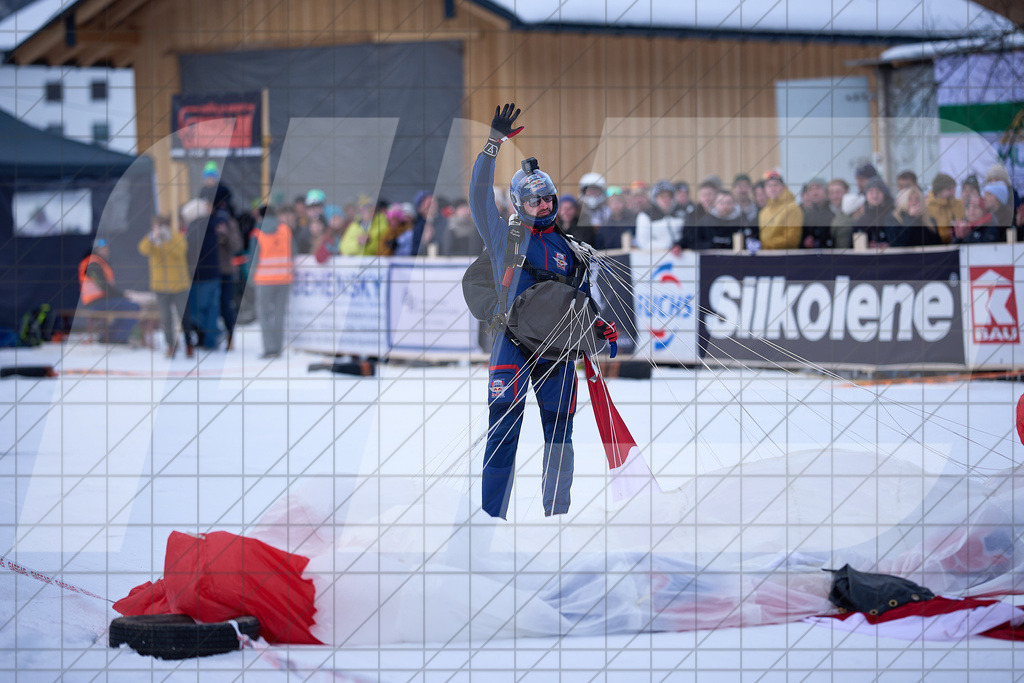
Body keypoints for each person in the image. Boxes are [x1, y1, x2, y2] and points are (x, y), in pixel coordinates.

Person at [469, 102, 616, 519]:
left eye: (547, 199)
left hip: (556, 352)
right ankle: (489, 520)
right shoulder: (504, 237)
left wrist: (599, 327)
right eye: (533, 201)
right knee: (503, 432)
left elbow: (580, 301)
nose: (543, 206)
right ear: (518, 203)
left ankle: (557, 521)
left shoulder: (571, 250)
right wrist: (493, 144)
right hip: (512, 346)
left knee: (560, 434)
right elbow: (478, 195)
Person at [138, 215, 193, 358]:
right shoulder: (153, 240)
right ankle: (170, 345)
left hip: (179, 285)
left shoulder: (176, 237)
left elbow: (181, 252)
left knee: (184, 316)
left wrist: (168, 240)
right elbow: (143, 250)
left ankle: (189, 344)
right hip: (160, 286)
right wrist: (152, 238)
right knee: (166, 318)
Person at [202, 185, 243, 351]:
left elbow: (237, 246)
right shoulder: (202, 223)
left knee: (226, 306)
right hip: (207, 272)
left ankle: (230, 337)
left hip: (224, 272)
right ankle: (208, 337)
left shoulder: (228, 222)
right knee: (208, 307)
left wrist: (225, 234)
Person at [252, 205, 296, 359]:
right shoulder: (285, 230)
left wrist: (251, 279)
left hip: (264, 280)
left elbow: (253, 258)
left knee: (264, 314)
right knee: (279, 313)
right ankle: (277, 348)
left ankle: (269, 348)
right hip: (284, 279)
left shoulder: (257, 233)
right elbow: (294, 252)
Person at [78, 238, 140, 343]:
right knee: (133, 308)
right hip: (96, 302)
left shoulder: (100, 263)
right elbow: (104, 286)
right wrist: (122, 295)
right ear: (96, 249)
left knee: (128, 308)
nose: (106, 250)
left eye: (106, 248)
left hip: (101, 300)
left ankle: (109, 336)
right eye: (102, 248)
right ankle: (117, 337)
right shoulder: (93, 264)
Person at [635, 180, 684, 253]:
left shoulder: (681, 213)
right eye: (662, 196)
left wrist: (681, 245)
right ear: (655, 198)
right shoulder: (645, 216)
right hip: (656, 257)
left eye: (669, 196)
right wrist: (668, 246)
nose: (666, 200)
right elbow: (643, 243)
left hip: (682, 256)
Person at [758, 171, 803, 250]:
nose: (772, 189)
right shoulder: (764, 212)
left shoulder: (792, 208)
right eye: (769, 185)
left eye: (776, 185)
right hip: (766, 257)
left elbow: (792, 239)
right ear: (765, 189)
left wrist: (765, 245)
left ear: (783, 187)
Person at [853, 177, 896, 248]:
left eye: (878, 192)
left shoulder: (894, 217)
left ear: (884, 194)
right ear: (866, 195)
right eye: (871, 192)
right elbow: (854, 247)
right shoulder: (861, 222)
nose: (875, 196)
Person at [925, 173, 962, 244]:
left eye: (954, 188)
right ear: (939, 191)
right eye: (949, 189)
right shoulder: (927, 208)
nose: (953, 192)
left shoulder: (959, 204)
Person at [799, 177, 834, 248]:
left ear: (826, 191)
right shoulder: (805, 215)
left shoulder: (833, 212)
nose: (814, 192)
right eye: (811, 189)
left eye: (818, 188)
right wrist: (804, 243)